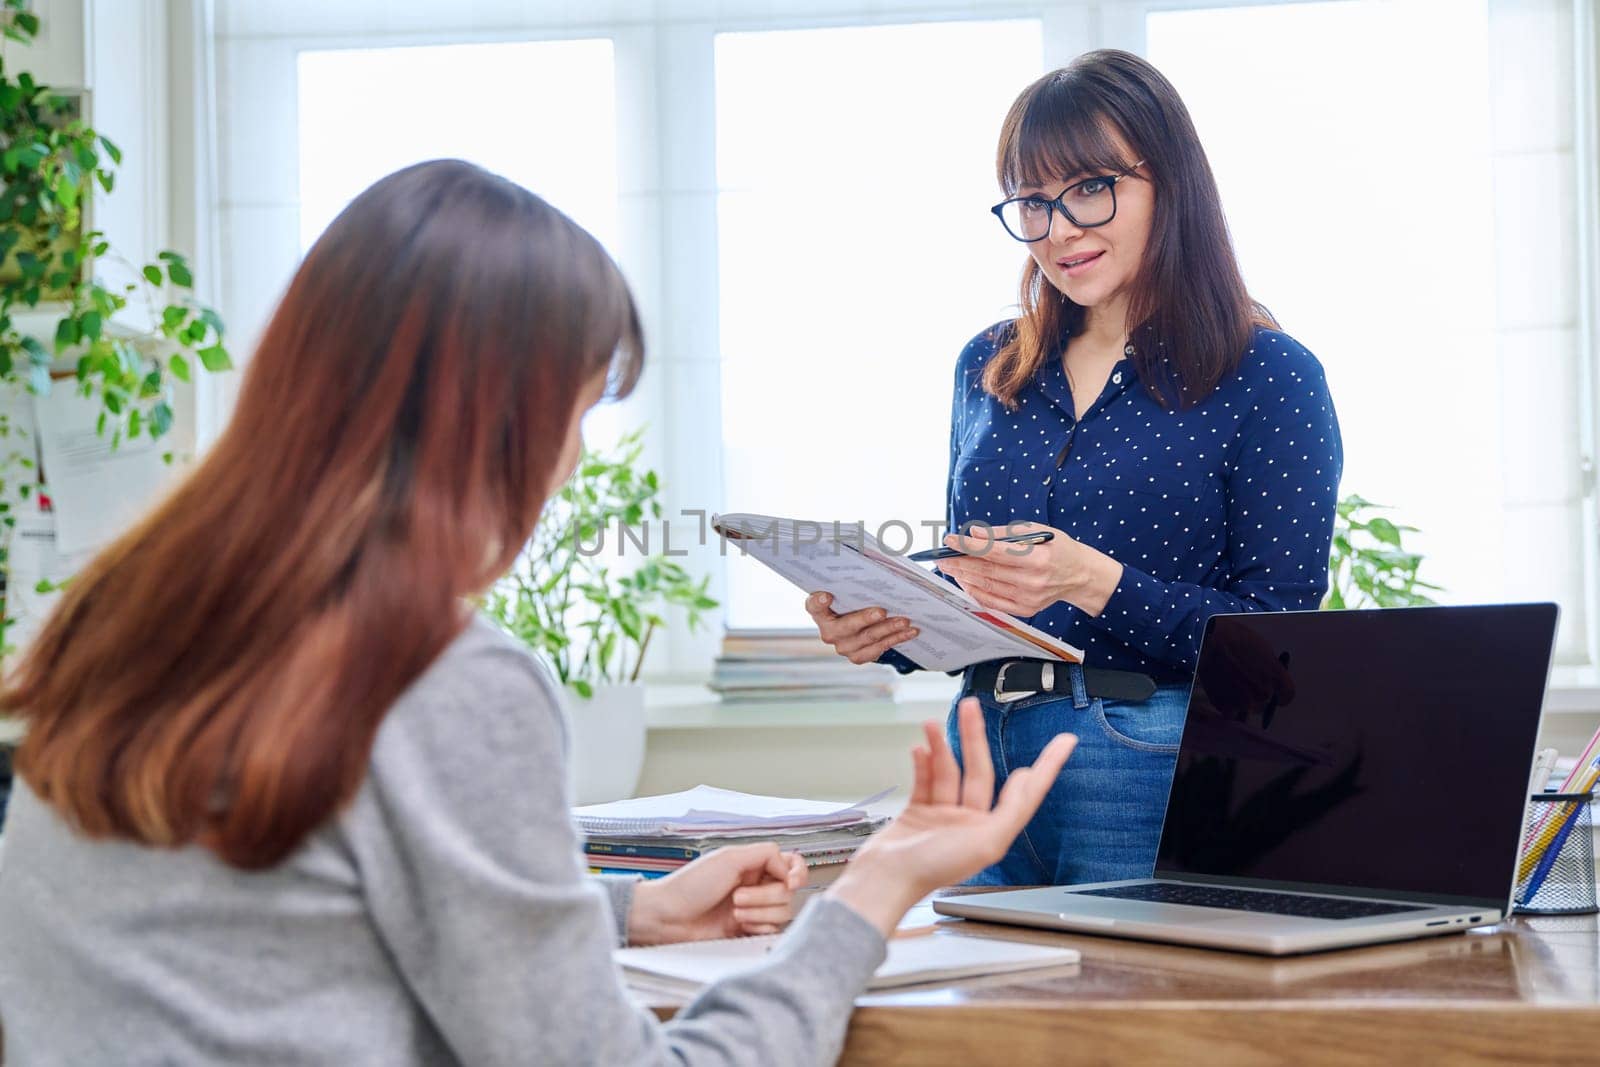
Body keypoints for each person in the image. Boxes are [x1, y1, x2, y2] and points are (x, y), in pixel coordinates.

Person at [0, 160, 1077, 1065]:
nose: (568, 463)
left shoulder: (128, 610)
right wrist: (875, 887)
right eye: (575, 411)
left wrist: (627, 911)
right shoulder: (430, 669)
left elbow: (276, 928)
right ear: (499, 420)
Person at [807, 49, 1342, 887]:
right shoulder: (990, 366)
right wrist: (889, 622)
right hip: (978, 753)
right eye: (1033, 202)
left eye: (1090, 188)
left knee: (1117, 1015)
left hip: (1143, 756)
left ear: (1169, 182)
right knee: (977, 1011)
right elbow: (983, 583)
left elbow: (1273, 647)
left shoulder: (1268, 374)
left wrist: (1094, 580)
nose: (1058, 230)